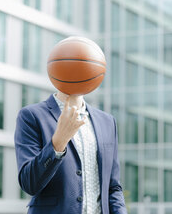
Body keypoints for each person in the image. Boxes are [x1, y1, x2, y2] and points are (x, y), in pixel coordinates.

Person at [14, 39, 127, 214]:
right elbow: (29, 184)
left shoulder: (107, 122)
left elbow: (113, 187)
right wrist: (58, 143)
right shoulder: (31, 116)